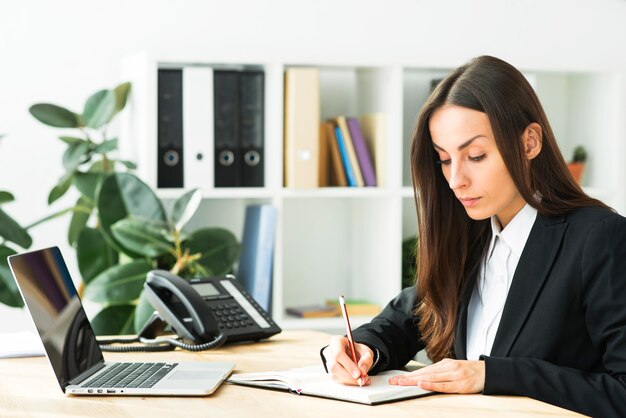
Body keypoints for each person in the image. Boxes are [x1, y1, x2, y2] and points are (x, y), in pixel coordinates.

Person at [320, 55, 626, 418]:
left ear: (529, 143)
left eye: (476, 156)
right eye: (445, 160)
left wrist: (493, 374)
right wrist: (364, 349)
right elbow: (408, 318)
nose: (455, 180)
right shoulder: (471, 234)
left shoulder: (598, 238)